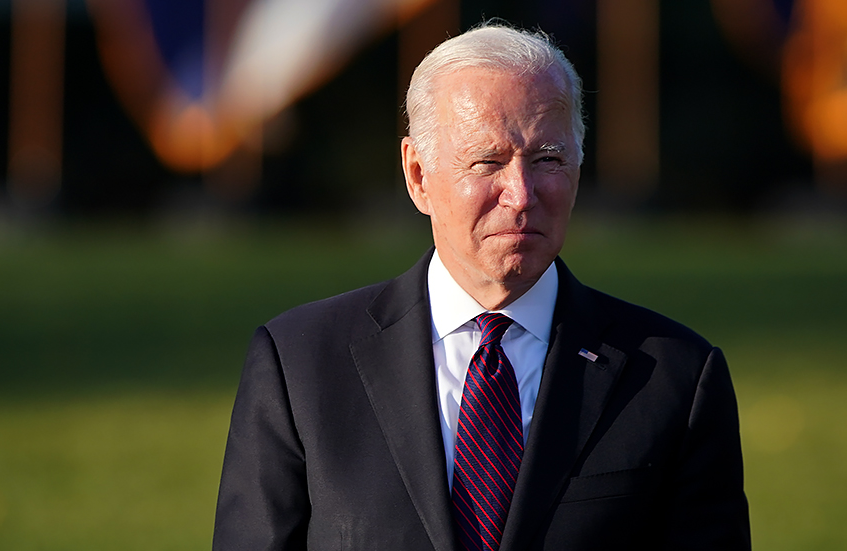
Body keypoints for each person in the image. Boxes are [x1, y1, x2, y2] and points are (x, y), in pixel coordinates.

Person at [213, 24, 750, 551]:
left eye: (548, 160)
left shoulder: (674, 377)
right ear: (418, 175)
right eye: (487, 161)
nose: (520, 194)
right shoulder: (300, 366)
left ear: (580, 169)